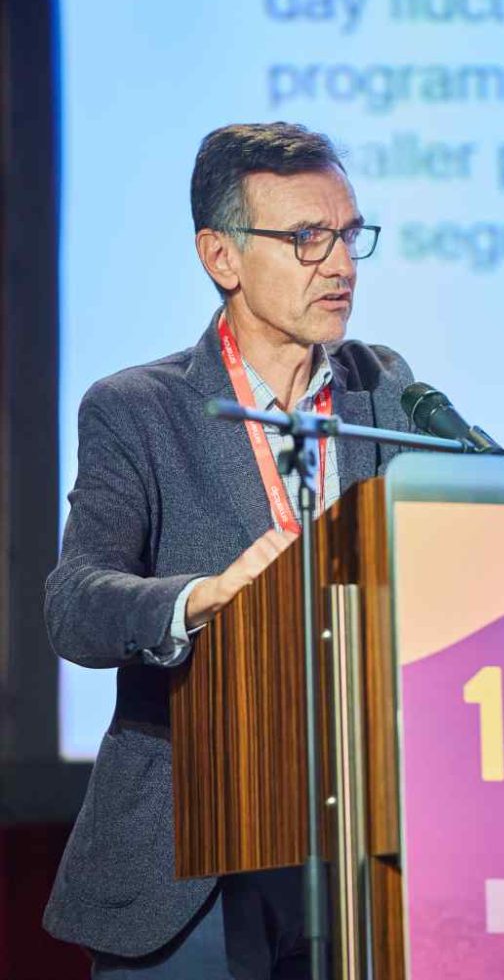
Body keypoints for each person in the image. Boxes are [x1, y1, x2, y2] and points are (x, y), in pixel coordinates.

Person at [44, 122, 414, 979]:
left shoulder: (383, 391)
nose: (341, 265)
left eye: (348, 234)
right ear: (221, 256)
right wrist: (199, 598)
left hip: (354, 846)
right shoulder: (138, 408)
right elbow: (75, 603)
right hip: (193, 847)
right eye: (306, 238)